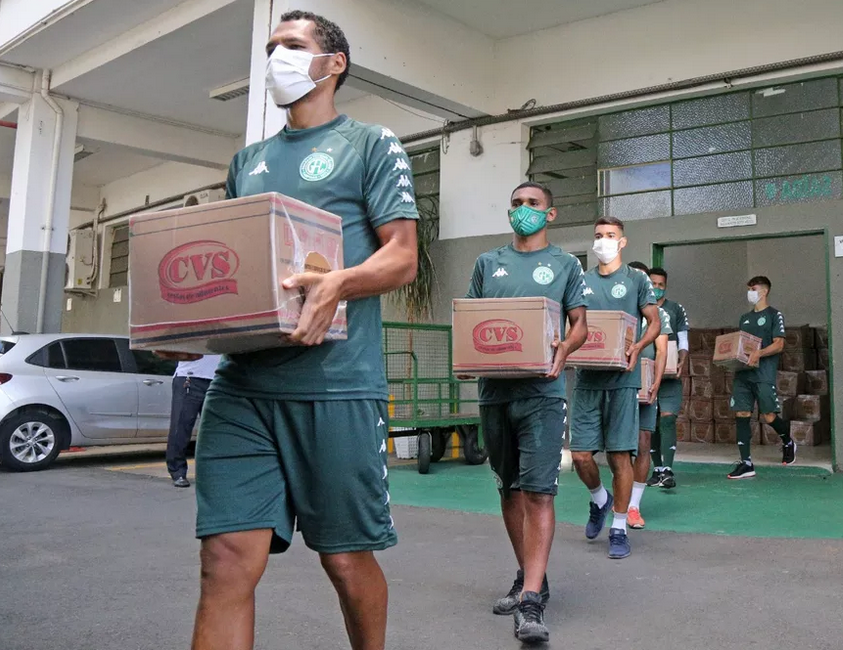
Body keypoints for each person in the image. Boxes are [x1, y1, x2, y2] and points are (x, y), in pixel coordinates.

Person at [156, 12, 418, 650]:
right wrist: (196, 330)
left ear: (334, 64)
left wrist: (340, 282)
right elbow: (244, 278)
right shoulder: (248, 162)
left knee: (345, 561)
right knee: (224, 559)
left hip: (335, 387)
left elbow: (403, 255)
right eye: (272, 47)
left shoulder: (370, 143)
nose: (277, 57)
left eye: (293, 46)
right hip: (244, 389)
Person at [464, 181, 588, 644]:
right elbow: (473, 323)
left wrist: (564, 349)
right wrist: (466, 357)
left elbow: (580, 325)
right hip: (494, 393)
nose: (523, 211)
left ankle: (531, 598)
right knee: (509, 490)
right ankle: (528, 574)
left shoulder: (565, 265)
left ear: (550, 214)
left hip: (542, 393)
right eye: (516, 204)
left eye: (533, 204)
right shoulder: (486, 263)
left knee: (539, 492)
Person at [570, 217, 660, 560]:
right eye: (598, 236)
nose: (603, 241)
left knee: (620, 456)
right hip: (588, 380)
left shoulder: (636, 280)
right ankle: (599, 500)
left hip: (623, 381)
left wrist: (638, 347)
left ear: (622, 242)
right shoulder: (581, 280)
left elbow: (653, 321)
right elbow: (569, 320)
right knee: (580, 457)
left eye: (610, 236)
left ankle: (619, 527)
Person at [728, 276, 797, 479]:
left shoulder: (775, 315)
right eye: (748, 288)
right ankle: (746, 463)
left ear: (764, 291)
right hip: (743, 375)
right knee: (741, 413)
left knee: (768, 415)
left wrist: (758, 353)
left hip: (763, 374)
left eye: (753, 288)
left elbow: (779, 344)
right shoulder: (745, 318)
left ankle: (788, 441)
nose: (750, 291)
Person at [624, 262, 671, 530]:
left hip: (645, 387)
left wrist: (656, 382)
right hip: (619, 385)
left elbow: (662, 351)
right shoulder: (617, 309)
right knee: (619, 448)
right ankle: (612, 497)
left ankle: (633, 506)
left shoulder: (658, 314)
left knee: (643, 443)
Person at [646, 266, 691, 490]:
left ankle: (669, 469)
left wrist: (683, 359)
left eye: (660, 285)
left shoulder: (675, 309)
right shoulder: (641, 307)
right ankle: (657, 469)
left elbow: (683, 338)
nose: (656, 288)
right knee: (651, 423)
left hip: (671, 374)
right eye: (653, 284)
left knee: (667, 418)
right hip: (647, 373)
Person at [166, 355, 220, 488]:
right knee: (181, 426)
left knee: (216, 430)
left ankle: (213, 473)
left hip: (218, 378)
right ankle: (177, 471)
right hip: (190, 377)